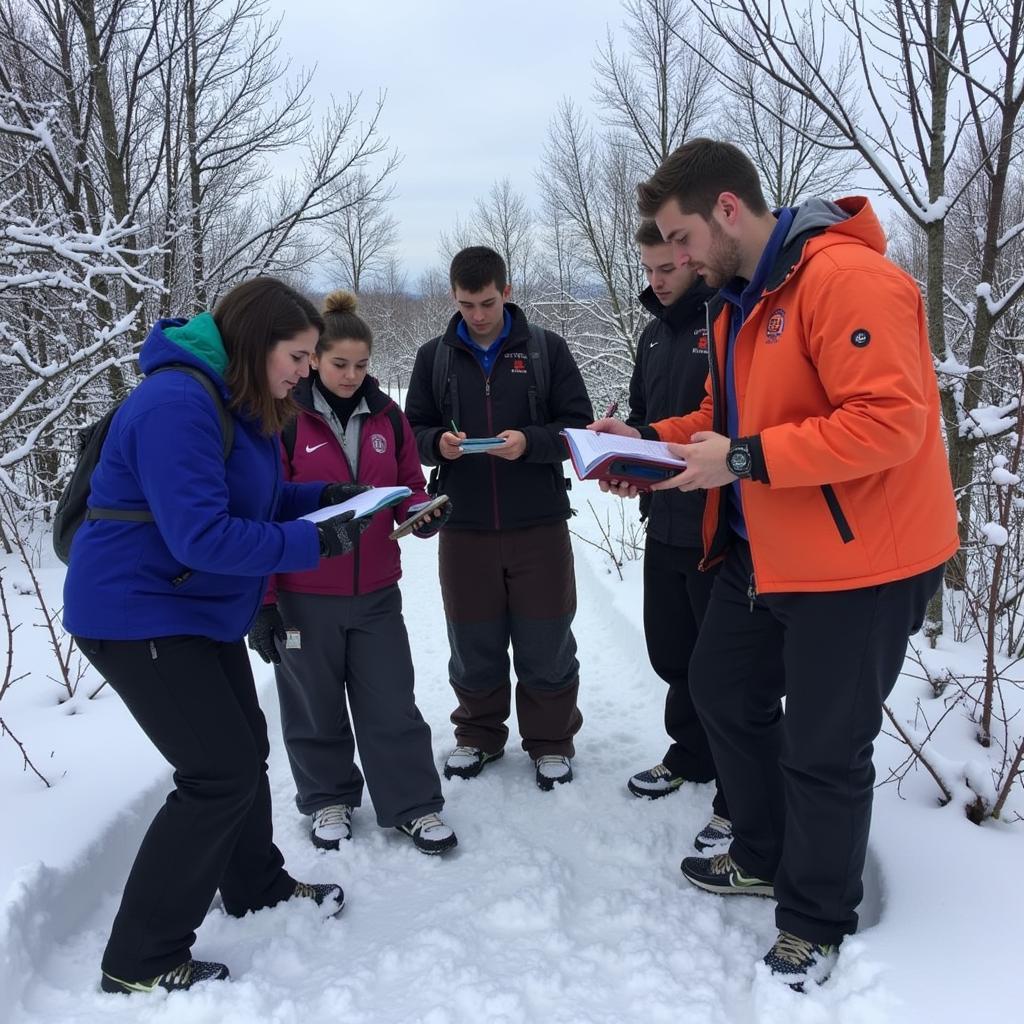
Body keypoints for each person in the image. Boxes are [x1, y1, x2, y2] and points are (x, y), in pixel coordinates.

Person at [591, 139, 958, 989]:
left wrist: (745, 461)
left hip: (861, 562)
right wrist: (644, 442)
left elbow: (891, 422)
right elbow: (722, 418)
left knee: (827, 747)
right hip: (767, 549)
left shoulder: (846, 280)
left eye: (679, 239)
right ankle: (761, 851)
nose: (671, 261)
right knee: (721, 689)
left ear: (727, 210)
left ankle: (816, 918)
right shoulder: (735, 302)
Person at [63, 277, 374, 995]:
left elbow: (250, 499)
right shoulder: (177, 403)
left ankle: (255, 884)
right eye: (297, 356)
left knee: (243, 751)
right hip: (136, 613)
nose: (304, 370)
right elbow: (201, 534)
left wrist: (324, 499)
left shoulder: (234, 402)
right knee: (217, 773)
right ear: (255, 344)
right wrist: (312, 544)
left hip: (190, 612)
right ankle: (140, 959)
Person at [248, 289, 456, 856]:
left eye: (362, 365)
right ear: (314, 359)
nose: (351, 374)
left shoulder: (388, 416)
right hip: (302, 594)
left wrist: (423, 513)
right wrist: (264, 602)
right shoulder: (285, 417)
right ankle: (327, 798)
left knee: (391, 700)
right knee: (313, 703)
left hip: (376, 592)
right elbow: (264, 510)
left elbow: (408, 486)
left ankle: (414, 805)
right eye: (339, 363)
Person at [404, 246, 593, 790]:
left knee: (547, 638)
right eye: (466, 304)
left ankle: (551, 741)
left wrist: (528, 443)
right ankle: (479, 735)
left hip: (538, 523)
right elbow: (413, 432)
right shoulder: (433, 357)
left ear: (506, 291)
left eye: (487, 302)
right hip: (464, 528)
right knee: (473, 640)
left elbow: (575, 425)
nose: (478, 315)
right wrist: (438, 444)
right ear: (453, 297)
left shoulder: (544, 350)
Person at [620, 219, 738, 854]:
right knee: (672, 653)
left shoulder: (723, 326)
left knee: (721, 671)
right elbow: (645, 422)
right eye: (649, 271)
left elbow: (723, 424)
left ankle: (734, 788)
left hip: (718, 530)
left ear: (693, 259)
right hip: (663, 523)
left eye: (667, 268)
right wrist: (623, 460)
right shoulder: (651, 337)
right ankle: (690, 754)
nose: (657, 282)